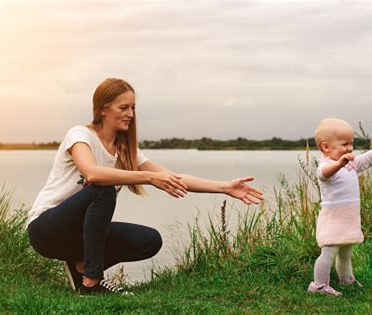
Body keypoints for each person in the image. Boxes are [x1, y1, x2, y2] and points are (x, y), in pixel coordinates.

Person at [26, 78, 263, 295]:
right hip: (46, 229)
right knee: (102, 189)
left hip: (80, 233)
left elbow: (172, 177)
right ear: (103, 109)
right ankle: (91, 282)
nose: (130, 113)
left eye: (133, 108)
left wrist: (225, 187)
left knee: (149, 241)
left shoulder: (125, 151)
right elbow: (92, 173)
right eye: (123, 107)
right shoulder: (80, 135)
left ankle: (80, 265)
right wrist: (147, 178)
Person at [307, 118, 372, 296]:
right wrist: (340, 163)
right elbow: (325, 174)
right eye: (344, 144)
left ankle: (346, 279)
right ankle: (318, 286)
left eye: (352, 143)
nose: (350, 148)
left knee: (346, 253)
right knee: (329, 253)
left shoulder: (349, 163)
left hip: (348, 217)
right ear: (326, 147)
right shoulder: (326, 165)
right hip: (333, 218)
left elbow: (363, 161)